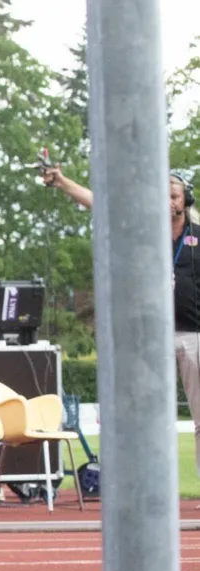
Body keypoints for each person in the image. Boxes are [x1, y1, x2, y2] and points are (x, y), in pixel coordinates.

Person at [43, 165, 200, 474]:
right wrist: (63, 183)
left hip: (194, 336)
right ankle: (146, 491)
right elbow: (100, 205)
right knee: (146, 417)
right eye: (161, 196)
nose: (167, 201)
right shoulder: (143, 231)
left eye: (173, 196)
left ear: (185, 200)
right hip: (152, 339)